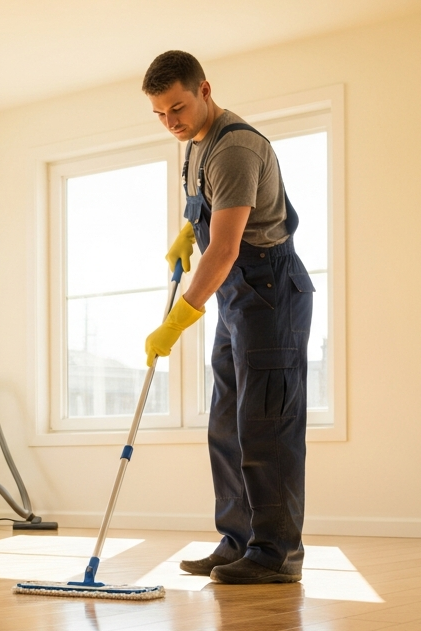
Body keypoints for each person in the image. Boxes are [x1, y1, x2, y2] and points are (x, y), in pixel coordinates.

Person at [141, 51, 314, 585]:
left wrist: (176, 322)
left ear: (205, 90)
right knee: (227, 423)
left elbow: (225, 249)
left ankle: (276, 554)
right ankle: (238, 540)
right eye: (160, 114)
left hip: (269, 287)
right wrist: (185, 233)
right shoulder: (193, 143)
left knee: (268, 424)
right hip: (238, 297)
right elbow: (207, 211)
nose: (171, 121)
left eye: (178, 107)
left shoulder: (235, 147)